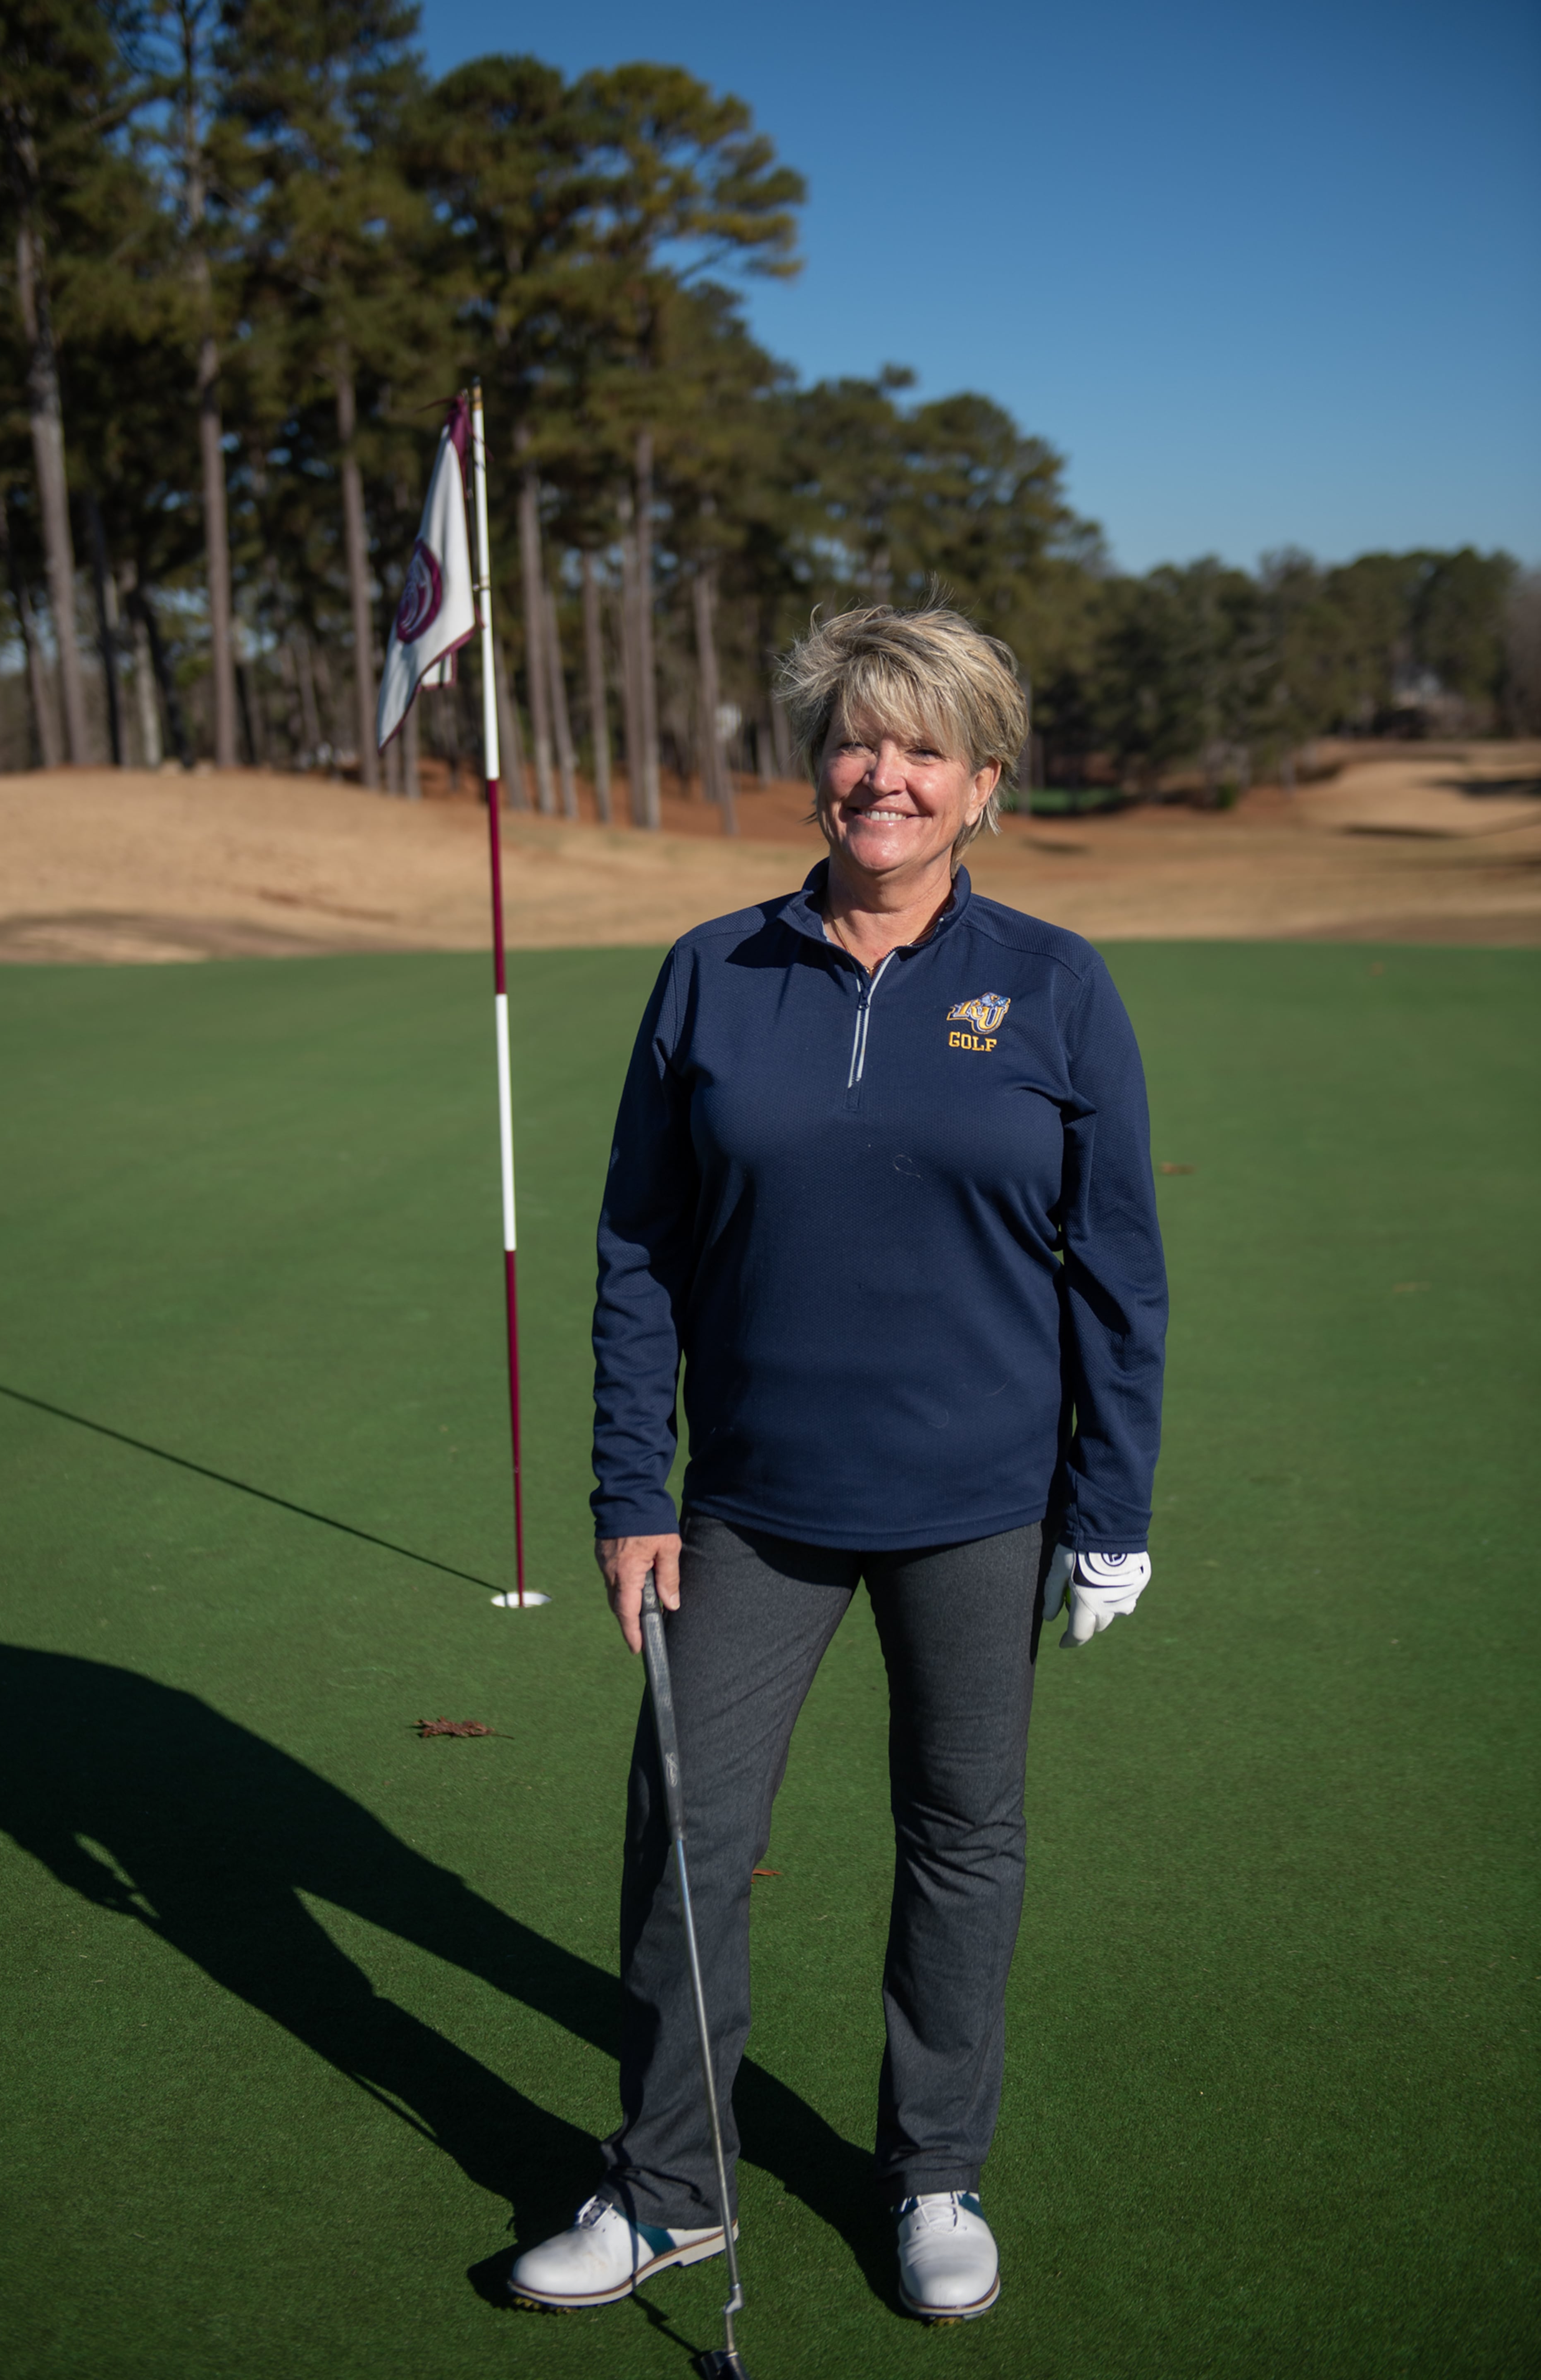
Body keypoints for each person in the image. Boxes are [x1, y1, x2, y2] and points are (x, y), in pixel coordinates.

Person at [511, 603, 1168, 2323]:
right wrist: (629, 1492)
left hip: (980, 1503)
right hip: (753, 1506)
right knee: (686, 1826)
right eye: (858, 744)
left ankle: (934, 2172)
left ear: (982, 786)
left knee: (963, 1835)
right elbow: (638, 1248)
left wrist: (1113, 1511)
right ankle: (668, 2191)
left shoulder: (1054, 983)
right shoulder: (714, 969)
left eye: (925, 750)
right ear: (818, 767)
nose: (885, 776)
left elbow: (1119, 1271)